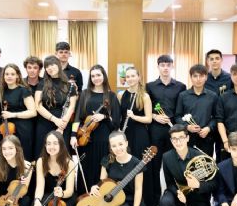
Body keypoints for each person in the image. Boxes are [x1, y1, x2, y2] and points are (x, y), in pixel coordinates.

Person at [160, 124, 217, 206]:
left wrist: (198, 185)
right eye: (174, 139)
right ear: (171, 141)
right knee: (165, 201)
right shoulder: (166, 157)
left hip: (198, 196)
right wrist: (178, 192)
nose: (178, 142)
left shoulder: (200, 156)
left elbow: (214, 184)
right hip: (180, 194)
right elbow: (169, 182)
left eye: (181, 137)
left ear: (187, 138)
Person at [89, 131, 149, 206]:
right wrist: (94, 187)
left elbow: (138, 190)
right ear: (110, 147)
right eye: (114, 146)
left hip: (133, 200)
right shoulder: (107, 160)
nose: (118, 148)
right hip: (116, 202)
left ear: (126, 143)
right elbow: (102, 183)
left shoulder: (137, 163)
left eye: (120, 144)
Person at [70, 65, 120, 196]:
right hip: (85, 141)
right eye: (93, 76)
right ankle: (83, 198)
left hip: (104, 141)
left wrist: (104, 117)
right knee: (85, 170)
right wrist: (73, 135)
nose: (96, 78)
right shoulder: (85, 94)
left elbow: (116, 123)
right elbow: (77, 118)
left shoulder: (111, 96)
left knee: (102, 171)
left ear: (104, 76)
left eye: (98, 75)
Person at [146, 55, 186, 206]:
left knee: (175, 165)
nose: (165, 68)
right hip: (155, 130)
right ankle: (156, 199)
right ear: (158, 67)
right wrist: (155, 116)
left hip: (174, 130)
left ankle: (177, 198)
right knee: (155, 166)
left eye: (168, 65)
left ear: (172, 66)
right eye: (162, 65)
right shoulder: (150, 86)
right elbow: (145, 108)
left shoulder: (181, 86)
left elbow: (181, 109)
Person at [29, 131, 76, 206]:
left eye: (55, 143)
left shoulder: (69, 163)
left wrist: (62, 193)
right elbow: (40, 186)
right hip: (49, 193)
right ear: (45, 145)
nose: (51, 146)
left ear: (61, 145)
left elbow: (70, 190)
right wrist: (37, 200)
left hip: (65, 195)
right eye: (48, 143)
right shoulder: (41, 161)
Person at [34, 56, 77, 157]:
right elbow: (38, 106)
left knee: (62, 155)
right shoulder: (41, 83)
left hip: (63, 124)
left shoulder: (69, 85)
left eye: (52, 64)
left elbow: (72, 106)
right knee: (44, 155)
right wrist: (55, 120)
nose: (50, 68)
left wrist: (62, 124)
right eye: (47, 66)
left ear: (58, 65)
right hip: (45, 123)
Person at [175, 64, 218, 157]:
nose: (198, 79)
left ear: (206, 77)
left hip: (206, 137)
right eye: (195, 76)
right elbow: (177, 116)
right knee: (187, 163)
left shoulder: (213, 96)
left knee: (206, 163)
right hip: (187, 138)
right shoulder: (183, 96)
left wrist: (209, 128)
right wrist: (187, 127)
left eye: (201, 76)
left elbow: (216, 117)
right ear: (191, 77)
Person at [0, 63, 37, 161]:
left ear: (17, 76)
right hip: (9, 129)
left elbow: (33, 112)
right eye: (7, 74)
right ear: (3, 76)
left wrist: (13, 115)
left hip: (23, 128)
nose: (9, 76)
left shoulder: (23, 90)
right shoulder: (2, 91)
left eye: (12, 74)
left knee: (24, 156)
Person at [118, 66, 151, 160]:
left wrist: (133, 116)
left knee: (138, 159)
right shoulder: (120, 95)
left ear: (138, 77)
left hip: (139, 133)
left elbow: (149, 119)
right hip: (124, 132)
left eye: (133, 76)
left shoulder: (145, 96)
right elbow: (119, 115)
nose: (130, 79)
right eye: (128, 77)